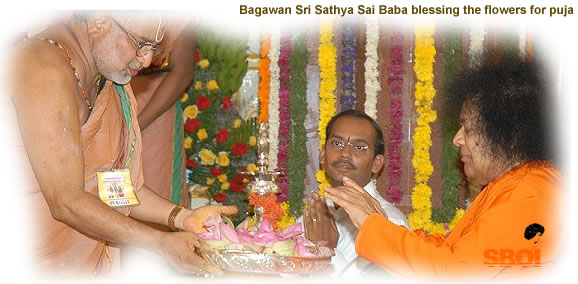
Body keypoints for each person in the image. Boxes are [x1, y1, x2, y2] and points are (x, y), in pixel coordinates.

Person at [10, 12, 235, 275]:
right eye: (140, 44)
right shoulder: (41, 67)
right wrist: (161, 243)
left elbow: (115, 185)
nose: (148, 59)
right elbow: (66, 201)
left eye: (154, 48)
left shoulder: (107, 82)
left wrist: (183, 217)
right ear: (99, 23)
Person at [324, 57, 562, 279]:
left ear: (505, 135)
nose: (457, 139)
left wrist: (372, 225)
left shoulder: (530, 194)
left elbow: (454, 271)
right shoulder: (510, 185)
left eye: (468, 129)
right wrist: (380, 222)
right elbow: (452, 251)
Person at [303, 110, 409, 277]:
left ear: (376, 163)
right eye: (337, 144)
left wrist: (327, 250)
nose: (345, 153)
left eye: (360, 147)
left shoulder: (390, 223)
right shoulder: (315, 213)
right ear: (323, 154)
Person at [132, 16, 196, 211]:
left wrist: (136, 125)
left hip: (154, 111)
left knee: (155, 181)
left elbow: (182, 73)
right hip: (113, 98)